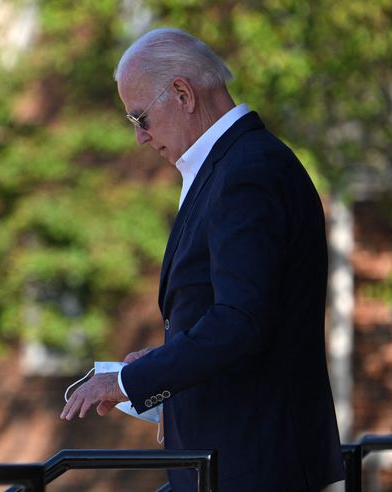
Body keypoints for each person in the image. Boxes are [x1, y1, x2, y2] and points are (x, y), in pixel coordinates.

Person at [61, 28, 345, 491]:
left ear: (181, 94)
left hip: (252, 467)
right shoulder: (232, 166)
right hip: (228, 464)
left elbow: (240, 321)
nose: (138, 137)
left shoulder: (247, 170)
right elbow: (238, 313)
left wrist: (131, 382)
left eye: (140, 117)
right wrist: (164, 357)